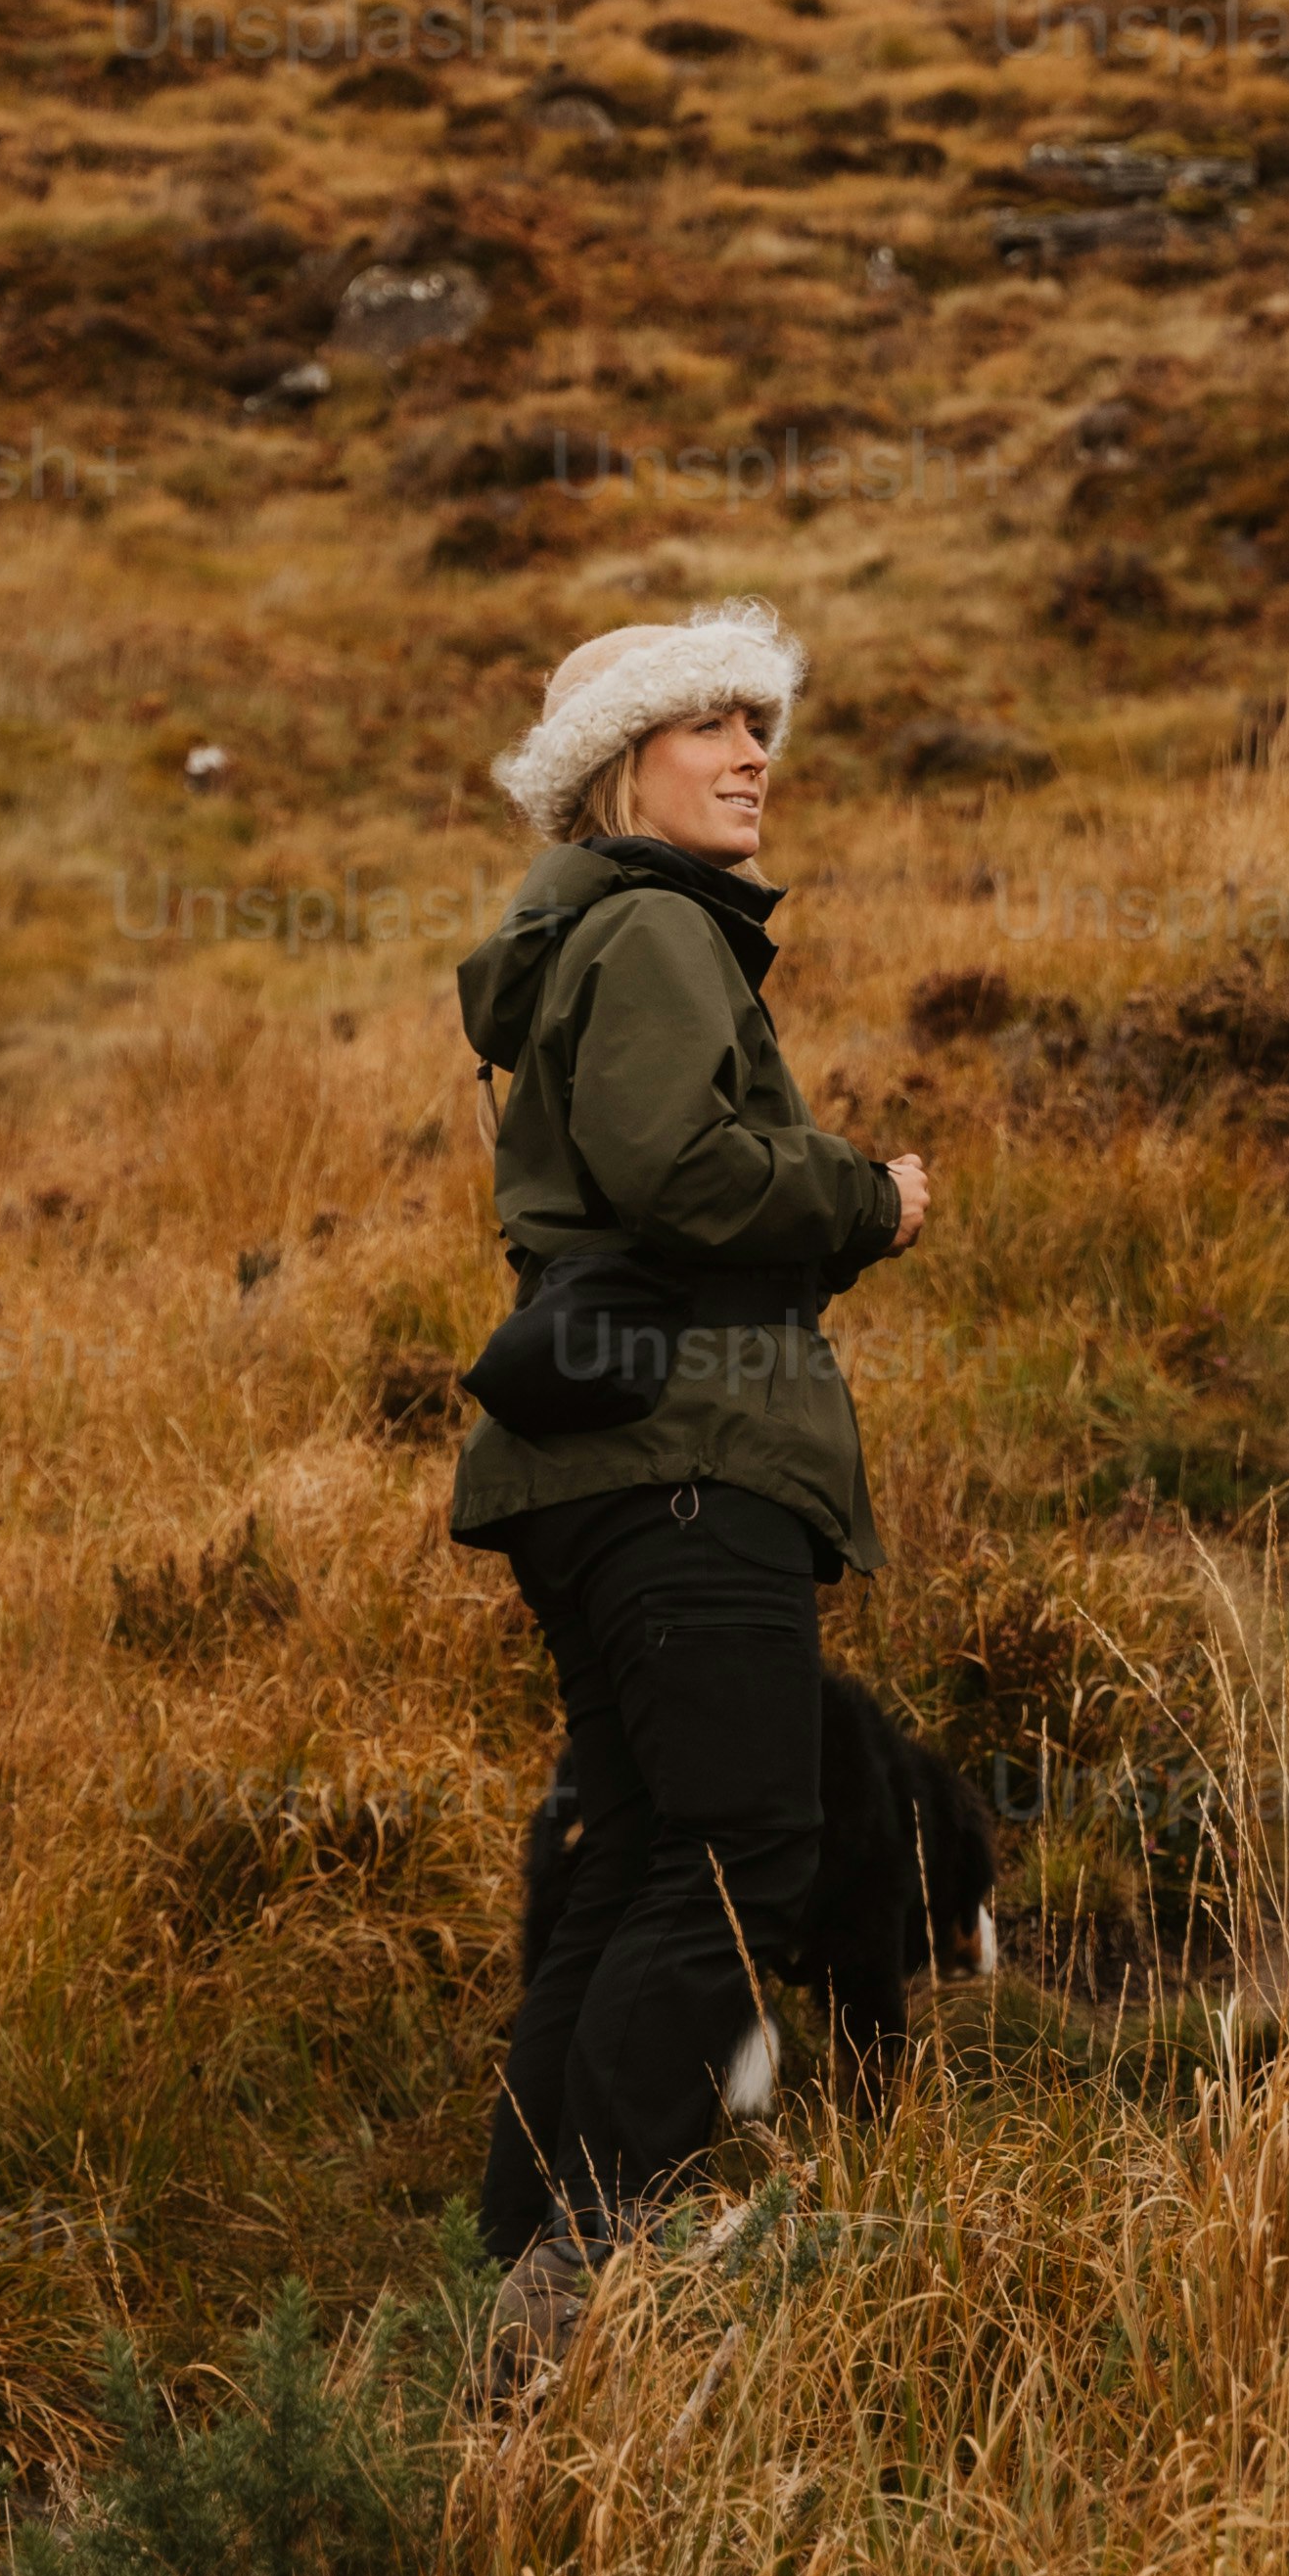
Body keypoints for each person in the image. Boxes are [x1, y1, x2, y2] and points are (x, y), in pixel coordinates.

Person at [450, 603, 927, 2382]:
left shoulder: (605, 933)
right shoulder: (654, 924)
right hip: (684, 1468)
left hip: (609, 1470)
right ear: (613, 773)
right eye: (707, 728)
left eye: (759, 726)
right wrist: (863, 1194)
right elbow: (681, 1172)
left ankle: (526, 2251)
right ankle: (600, 2257)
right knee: (742, 1845)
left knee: (644, 1849)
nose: (749, 757)